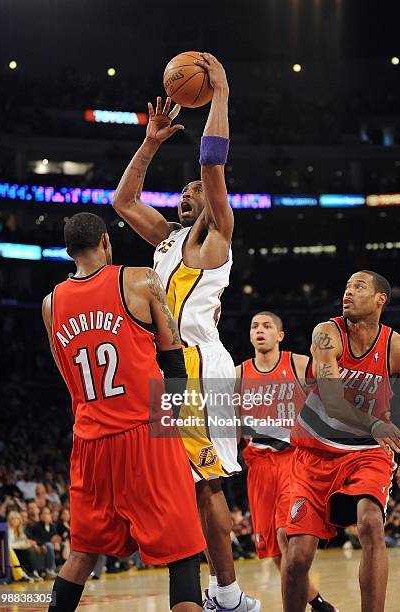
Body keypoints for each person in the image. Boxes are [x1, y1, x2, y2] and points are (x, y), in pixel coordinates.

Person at [113, 52, 259, 612]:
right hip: (172, 368)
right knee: (186, 484)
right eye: (184, 190)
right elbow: (123, 201)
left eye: (194, 190)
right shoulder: (170, 242)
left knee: (208, 482)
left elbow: (213, 164)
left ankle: (226, 593)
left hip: (198, 363)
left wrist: (218, 94)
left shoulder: (216, 235)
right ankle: (216, 589)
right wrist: (150, 142)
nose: (187, 192)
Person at [42, 212, 205, 611]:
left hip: (90, 439)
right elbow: (174, 360)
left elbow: (69, 380)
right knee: (182, 552)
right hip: (145, 430)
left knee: (83, 551)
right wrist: (169, 420)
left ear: (68, 251)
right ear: (104, 242)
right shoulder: (139, 279)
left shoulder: (51, 303)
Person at [284, 270, 400, 612]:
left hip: (367, 453)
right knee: (298, 558)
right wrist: (376, 423)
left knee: (371, 524)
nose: (348, 292)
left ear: (380, 299)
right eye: (346, 285)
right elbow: (333, 402)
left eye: (359, 287)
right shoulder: (326, 334)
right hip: (316, 448)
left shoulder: (393, 346)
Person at [237, 312, 337, 612]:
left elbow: (332, 391)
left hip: (294, 461)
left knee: (286, 536)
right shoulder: (237, 374)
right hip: (258, 467)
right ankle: (319, 604)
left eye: (267, 326)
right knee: (278, 553)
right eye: (254, 326)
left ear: (280, 335)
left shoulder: (298, 364)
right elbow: (225, 422)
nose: (260, 330)